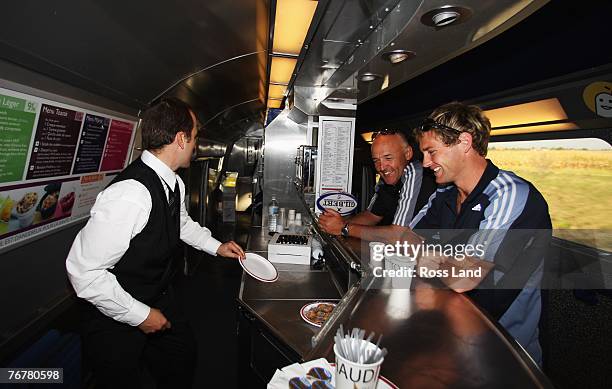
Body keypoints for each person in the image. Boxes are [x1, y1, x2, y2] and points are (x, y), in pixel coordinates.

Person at [66, 97, 245, 388]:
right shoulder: (130, 194)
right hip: (114, 310)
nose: (196, 144)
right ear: (180, 138)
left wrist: (216, 246)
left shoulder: (174, 181)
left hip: (158, 294)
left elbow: (181, 223)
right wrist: (140, 315)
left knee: (181, 357)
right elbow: (83, 273)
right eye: (195, 137)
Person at [405, 101, 551, 365]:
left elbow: (464, 279)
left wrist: (428, 258)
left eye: (431, 152)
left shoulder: (509, 194)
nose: (425, 163)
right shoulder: (445, 194)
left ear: (464, 142)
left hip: (505, 350)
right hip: (449, 335)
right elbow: (406, 240)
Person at [318, 129, 436, 242]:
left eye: (388, 158)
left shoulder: (414, 171)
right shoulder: (387, 179)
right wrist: (332, 224)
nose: (382, 167)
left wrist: (344, 228)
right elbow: (371, 216)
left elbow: (398, 235)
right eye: (376, 161)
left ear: (408, 153)